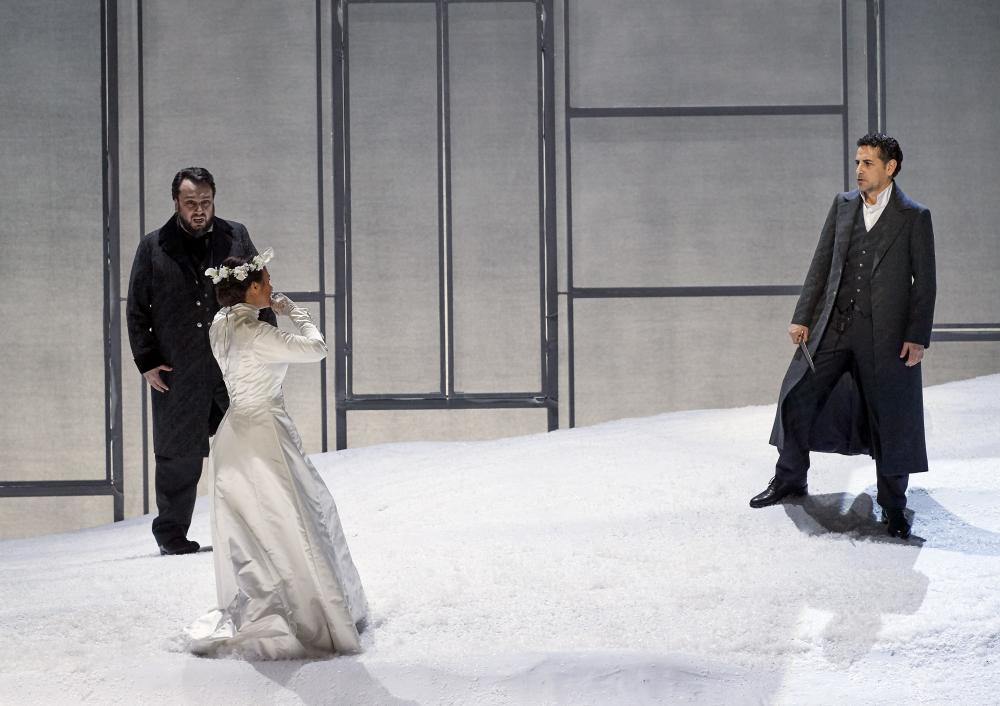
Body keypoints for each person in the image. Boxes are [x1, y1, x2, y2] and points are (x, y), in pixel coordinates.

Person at [750, 133, 936, 540]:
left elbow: (925, 283)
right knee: (797, 396)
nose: (859, 170)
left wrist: (917, 336)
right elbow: (821, 263)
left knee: (890, 417)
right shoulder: (844, 205)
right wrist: (803, 316)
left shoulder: (913, 216)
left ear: (890, 167)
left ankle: (893, 505)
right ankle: (790, 479)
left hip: (884, 336)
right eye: (857, 162)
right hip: (834, 327)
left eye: (867, 163)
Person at [186, 251, 368, 659]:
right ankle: (311, 611)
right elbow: (317, 348)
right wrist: (293, 311)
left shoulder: (220, 325)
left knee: (254, 528)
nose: (271, 287)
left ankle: (266, 598)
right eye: (266, 282)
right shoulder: (257, 333)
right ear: (251, 288)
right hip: (265, 434)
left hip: (232, 436)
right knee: (296, 519)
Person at [126, 167, 276, 556]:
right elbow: (138, 308)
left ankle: (258, 527)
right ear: (176, 201)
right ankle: (172, 535)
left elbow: (259, 290)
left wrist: (268, 347)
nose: (199, 210)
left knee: (250, 444)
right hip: (178, 367)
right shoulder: (153, 246)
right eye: (191, 202)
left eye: (205, 202)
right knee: (178, 453)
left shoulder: (235, 235)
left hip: (232, 364)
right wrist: (147, 360)